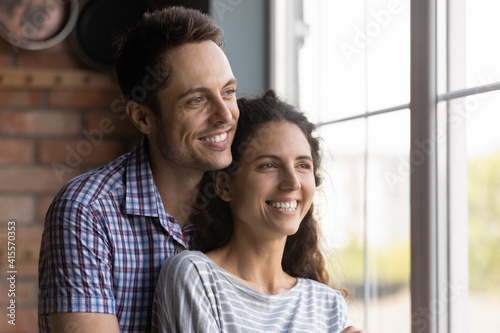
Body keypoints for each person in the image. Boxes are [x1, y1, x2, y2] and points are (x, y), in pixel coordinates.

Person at [38, 6, 238, 333]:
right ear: (142, 117)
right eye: (196, 101)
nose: (225, 115)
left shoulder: (244, 196)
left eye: (228, 92)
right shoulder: (85, 211)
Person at [152, 91, 367, 333]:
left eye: (302, 165)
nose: (293, 182)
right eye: (269, 165)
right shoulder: (195, 277)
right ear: (225, 185)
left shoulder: (328, 304)